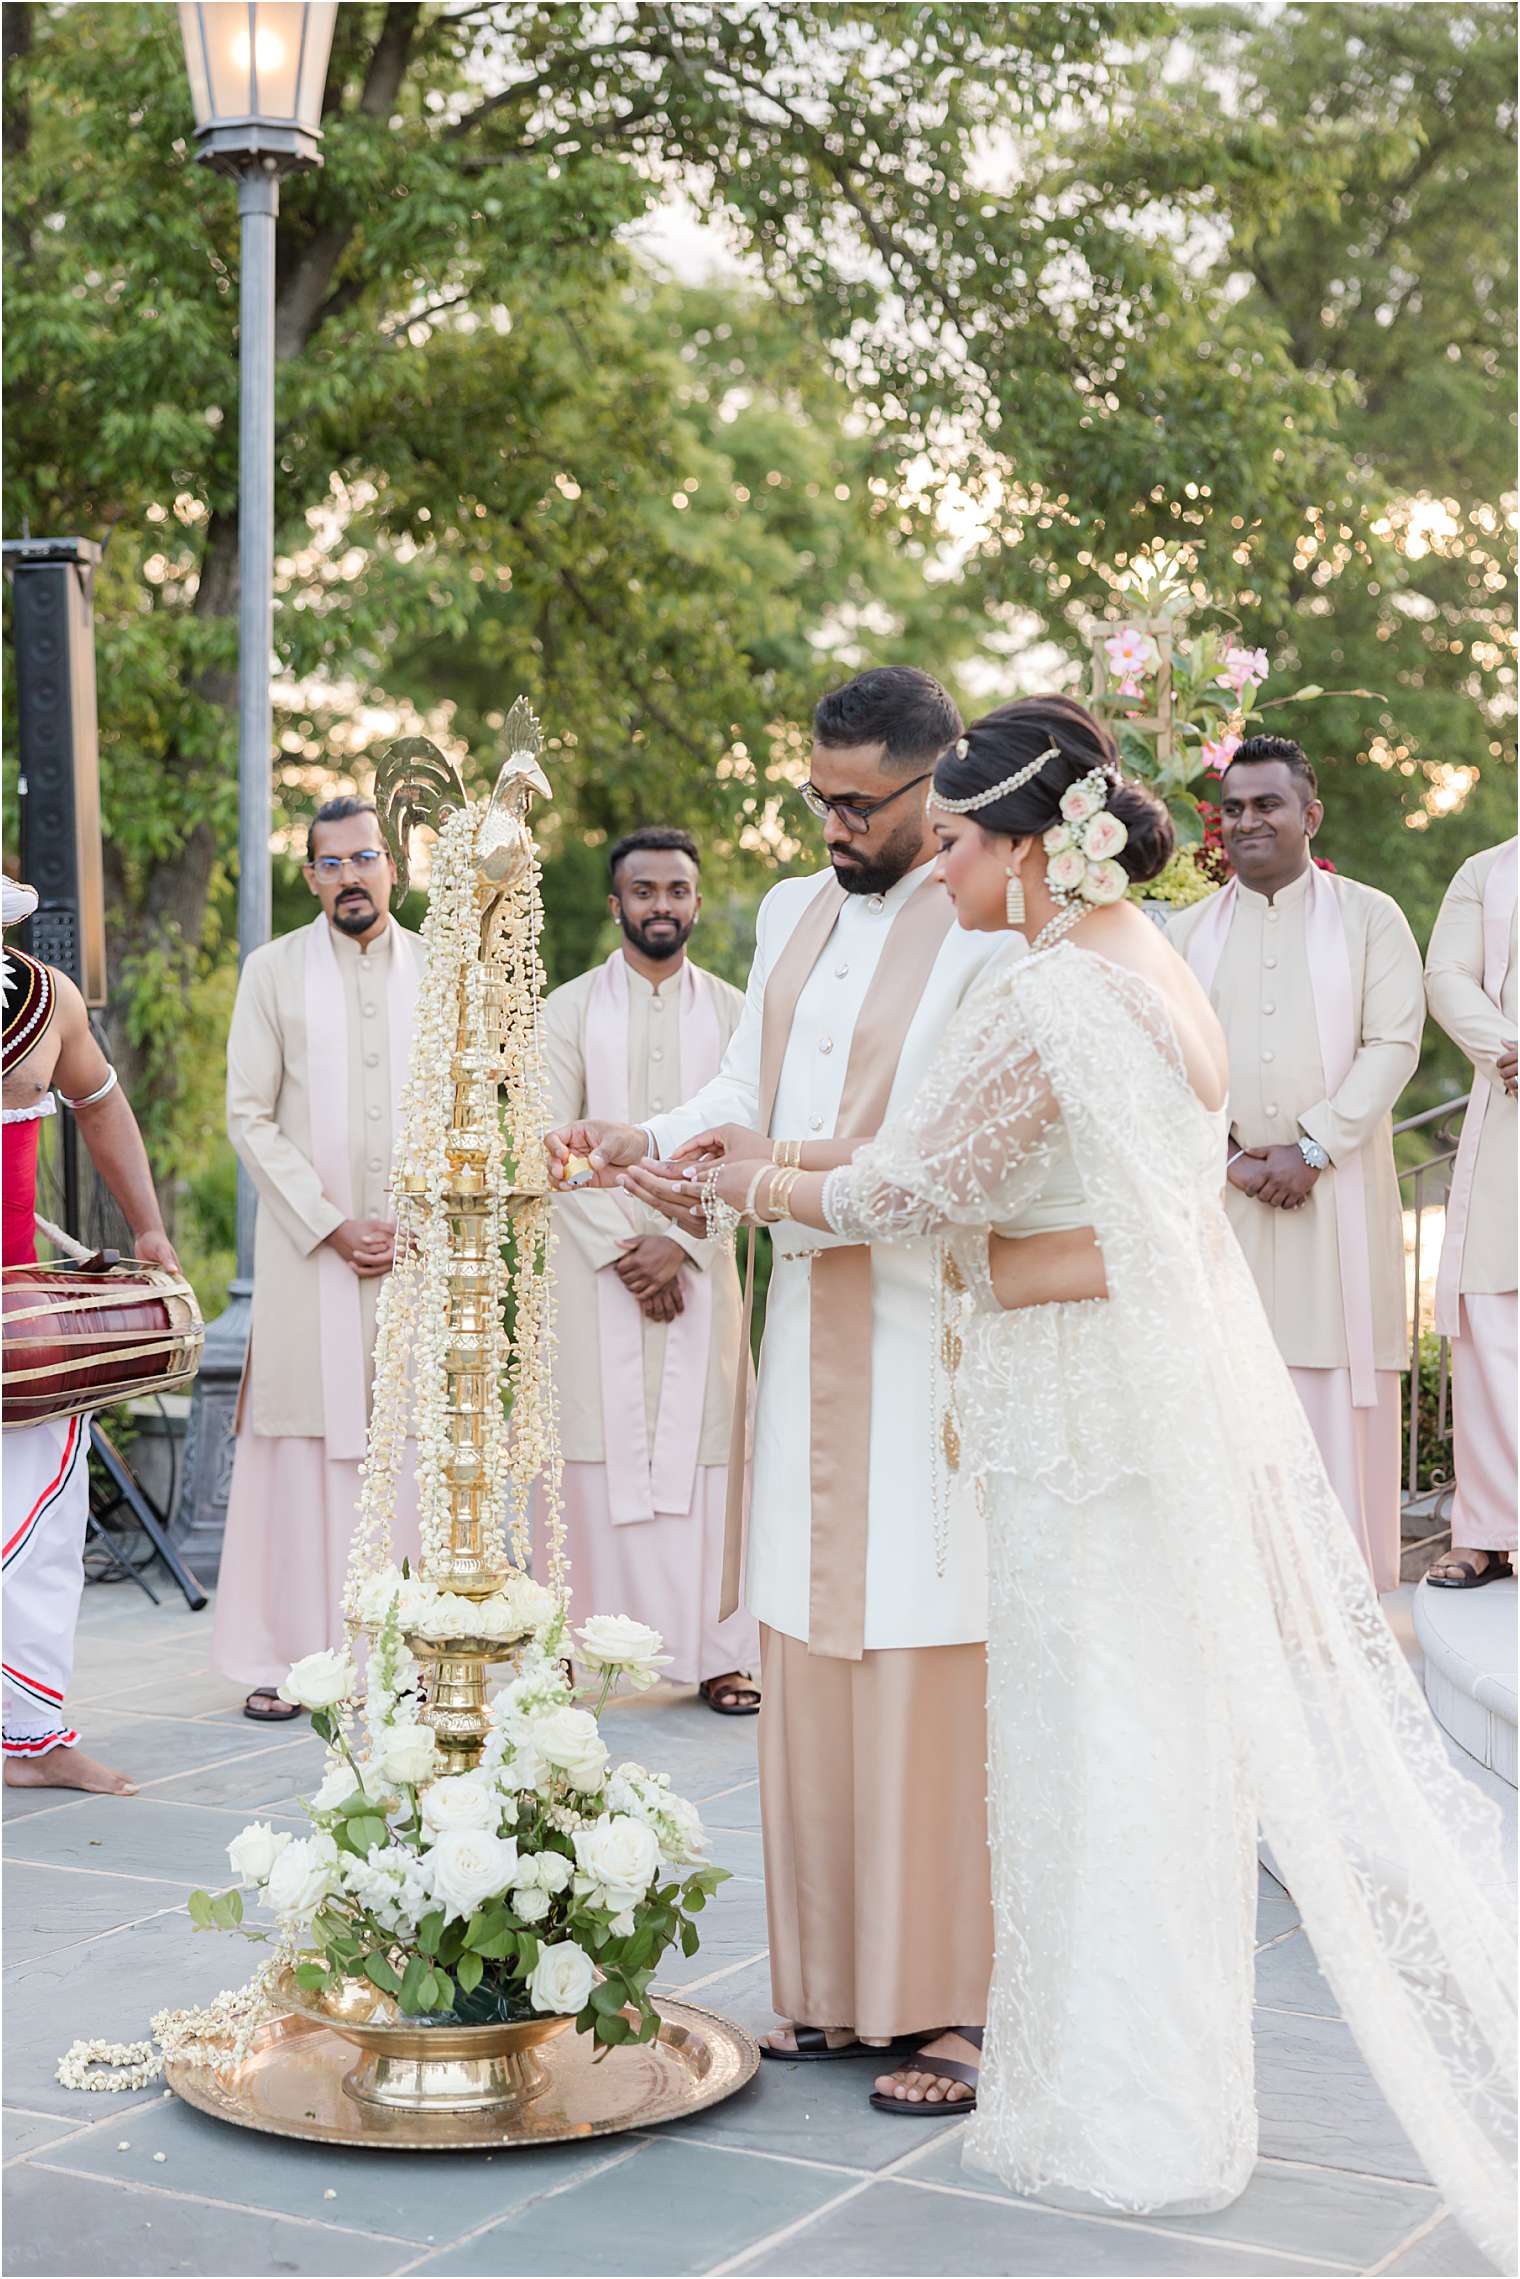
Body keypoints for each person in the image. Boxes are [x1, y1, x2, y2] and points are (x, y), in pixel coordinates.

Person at [653, 697, 1514, 2260]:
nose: (949, 872)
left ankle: (1115, 2117)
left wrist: (741, 1178)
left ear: (1036, 849)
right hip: (1120, 1398)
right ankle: (1136, 2097)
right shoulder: (1147, 964)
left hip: (1073, 1412)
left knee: (1091, 1755)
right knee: (1131, 1755)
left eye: (968, 843)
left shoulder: (1054, 994)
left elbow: (917, 1185)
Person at [547, 666, 1010, 2105]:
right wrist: (649, 1132)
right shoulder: (793, 910)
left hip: (932, 1329)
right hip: (807, 1313)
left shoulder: (993, 923)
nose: (830, 824)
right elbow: (745, 1082)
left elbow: (947, 1147)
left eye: (856, 802)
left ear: (934, 781)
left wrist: (760, 1182)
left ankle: (953, 1999)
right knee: (808, 1628)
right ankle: (830, 1984)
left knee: (927, 1636)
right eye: (814, 796)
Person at [1167, 738, 1424, 1592]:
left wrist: (1315, 1145)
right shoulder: (1186, 932)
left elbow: (1394, 1043)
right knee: (1226, 1394)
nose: (1248, 821)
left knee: (1329, 1392)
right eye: (1234, 807)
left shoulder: (1369, 917)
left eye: (1267, 804)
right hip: (1225, 1210)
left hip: (1336, 1205)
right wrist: (1232, 1161)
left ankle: (1341, 1603)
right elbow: (1164, 1066)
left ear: (1309, 815)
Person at [210, 797, 425, 1718]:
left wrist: (418, 1219)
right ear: (309, 877)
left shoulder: (441, 970)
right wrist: (332, 1223)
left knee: (411, 1444)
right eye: (329, 863)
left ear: (393, 866)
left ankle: (412, 1651)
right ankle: (286, 1655)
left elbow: (470, 1107)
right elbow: (247, 1112)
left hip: (418, 1255)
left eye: (364, 858)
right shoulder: (273, 970)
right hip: (310, 1258)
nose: (349, 876)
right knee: (298, 1451)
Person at [535, 827, 757, 1710]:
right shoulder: (567, 1011)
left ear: (697, 903)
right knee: (586, 1448)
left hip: (706, 1261)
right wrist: (623, 1248)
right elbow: (546, 1143)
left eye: (676, 890)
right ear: (616, 902)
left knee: (712, 1452)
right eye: (644, 890)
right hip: (594, 1276)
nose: (661, 904)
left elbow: (754, 1139)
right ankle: (569, 1645)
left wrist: (688, 1243)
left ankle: (719, 1653)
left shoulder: (741, 1013)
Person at [2, 875, 180, 1795]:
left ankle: (29, 1736)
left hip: (19, 1317)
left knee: (42, 1525)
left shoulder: (44, 997)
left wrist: (148, 1228)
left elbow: (102, 1104)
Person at [1423, 837, 1517, 1588]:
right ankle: (1486, 1531)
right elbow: (1446, 974)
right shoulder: (1485, 870)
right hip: (1510, 1100)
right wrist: (1508, 1046)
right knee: (1489, 1317)